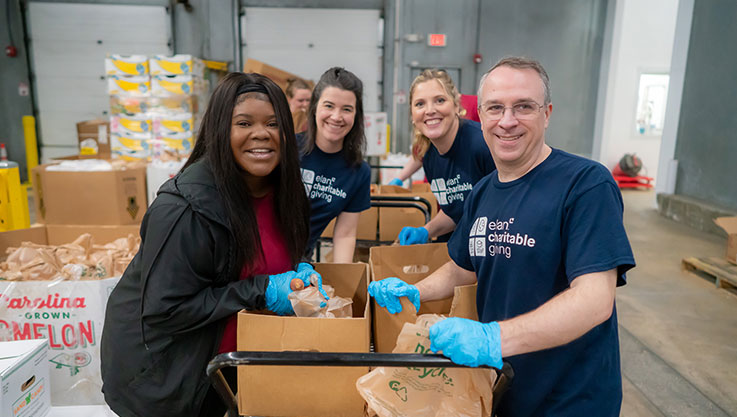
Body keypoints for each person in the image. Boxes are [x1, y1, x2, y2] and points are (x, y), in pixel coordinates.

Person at [369, 57, 635, 416]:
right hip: (503, 392)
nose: (507, 121)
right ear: (481, 116)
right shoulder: (483, 192)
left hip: (570, 400)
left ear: (547, 113)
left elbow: (594, 300)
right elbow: (464, 267)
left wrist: (492, 338)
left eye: (523, 107)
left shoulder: (585, 184)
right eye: (495, 108)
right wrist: (416, 290)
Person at [101, 72, 324, 417]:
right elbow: (165, 311)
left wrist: (301, 267)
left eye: (273, 123)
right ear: (221, 130)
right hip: (173, 377)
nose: (261, 134)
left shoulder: (285, 191)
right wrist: (261, 290)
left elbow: (284, 248)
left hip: (235, 366)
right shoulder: (185, 209)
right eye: (244, 123)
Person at [393, 69, 496, 245]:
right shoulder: (430, 156)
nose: (430, 110)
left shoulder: (482, 144)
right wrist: (426, 231)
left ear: (456, 106)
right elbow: (454, 210)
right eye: (420, 104)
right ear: (412, 115)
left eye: (440, 100)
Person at [299, 67, 371, 263]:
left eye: (346, 109)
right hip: (256, 256)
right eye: (329, 106)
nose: (337, 117)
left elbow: (345, 234)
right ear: (315, 107)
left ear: (356, 115)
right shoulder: (287, 149)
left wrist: (343, 285)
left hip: (299, 262)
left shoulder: (358, 172)